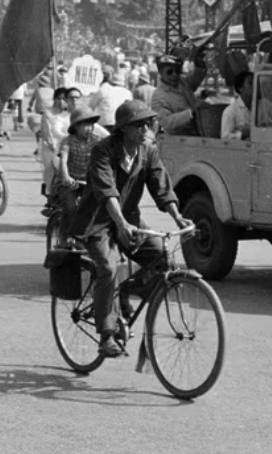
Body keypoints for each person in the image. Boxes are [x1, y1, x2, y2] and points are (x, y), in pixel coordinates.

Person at [70, 100, 191, 358]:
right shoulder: (103, 150)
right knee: (108, 267)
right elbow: (106, 191)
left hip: (129, 220)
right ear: (124, 129)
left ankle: (126, 290)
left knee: (163, 259)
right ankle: (106, 335)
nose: (146, 128)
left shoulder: (147, 150)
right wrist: (121, 224)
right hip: (98, 221)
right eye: (139, 124)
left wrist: (178, 217)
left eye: (148, 123)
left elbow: (161, 187)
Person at [54, 107, 102, 217]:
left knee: (97, 208)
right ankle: (65, 232)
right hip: (68, 183)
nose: (90, 128)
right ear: (76, 126)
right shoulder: (67, 141)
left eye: (92, 125)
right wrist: (66, 177)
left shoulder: (96, 141)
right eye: (86, 125)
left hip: (88, 182)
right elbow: (63, 161)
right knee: (71, 209)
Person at [150, 52, 206, 135]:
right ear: (161, 73)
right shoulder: (158, 96)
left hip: (197, 132)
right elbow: (166, 122)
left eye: (177, 71)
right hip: (178, 139)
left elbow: (195, 79)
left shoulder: (182, 82)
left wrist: (199, 62)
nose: (174, 75)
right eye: (169, 72)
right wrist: (191, 112)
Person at [37, 87, 71, 206]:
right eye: (59, 98)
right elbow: (47, 134)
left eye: (64, 99)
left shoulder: (68, 115)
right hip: (50, 148)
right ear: (54, 99)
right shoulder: (48, 113)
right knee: (51, 172)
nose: (61, 101)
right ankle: (51, 196)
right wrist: (54, 148)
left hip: (66, 147)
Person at [220, 71, 254, 140]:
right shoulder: (231, 111)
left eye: (256, 83)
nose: (254, 86)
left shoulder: (261, 108)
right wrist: (242, 135)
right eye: (251, 83)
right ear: (240, 88)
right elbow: (225, 138)